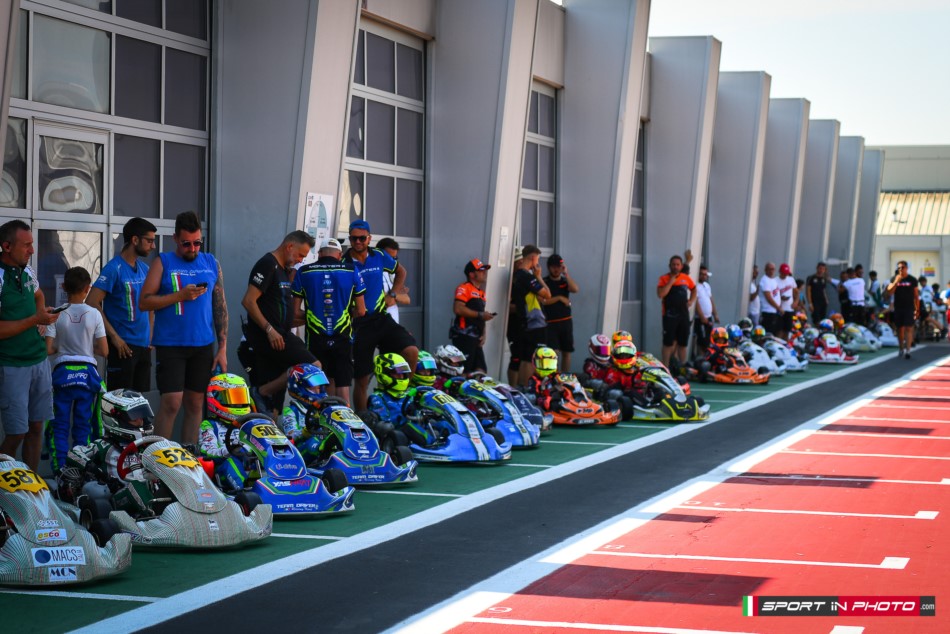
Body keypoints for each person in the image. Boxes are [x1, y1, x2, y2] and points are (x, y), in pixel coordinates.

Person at [140, 211, 228, 444]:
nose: (192, 248)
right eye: (186, 243)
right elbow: (144, 301)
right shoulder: (163, 262)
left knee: (196, 403)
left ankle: (189, 455)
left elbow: (220, 306)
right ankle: (158, 457)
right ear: (175, 239)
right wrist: (179, 296)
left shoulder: (210, 262)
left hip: (202, 344)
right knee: (171, 402)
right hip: (171, 344)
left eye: (197, 243)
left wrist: (222, 347)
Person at [0, 220, 59, 471]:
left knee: (37, 428)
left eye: (32, 244)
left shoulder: (28, 270)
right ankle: (6, 487)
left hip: (39, 360)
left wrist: (41, 316)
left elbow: (39, 294)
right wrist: (36, 319)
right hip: (11, 365)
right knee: (16, 433)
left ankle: (33, 485)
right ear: (6, 246)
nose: (32, 250)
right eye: (26, 245)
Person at [240, 230, 316, 416]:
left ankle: (266, 398)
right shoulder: (268, 264)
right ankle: (262, 393)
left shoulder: (284, 270)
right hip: (268, 338)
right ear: (289, 246)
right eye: (300, 255)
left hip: (280, 338)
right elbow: (248, 301)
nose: (300, 260)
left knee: (273, 409)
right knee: (314, 366)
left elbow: (279, 313)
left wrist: (313, 319)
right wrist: (269, 330)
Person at [344, 219, 418, 411]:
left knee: (411, 352)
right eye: (353, 238)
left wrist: (393, 294)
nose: (358, 242)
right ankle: (364, 419)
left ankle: (402, 400)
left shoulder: (379, 255)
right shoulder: (343, 262)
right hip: (359, 324)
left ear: (369, 238)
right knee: (362, 379)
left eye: (362, 238)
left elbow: (401, 272)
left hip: (381, 318)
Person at [44, 266, 108, 473]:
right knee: (83, 427)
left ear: (63, 287)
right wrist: (87, 346)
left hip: (62, 375)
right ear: (88, 288)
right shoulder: (94, 314)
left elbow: (48, 349)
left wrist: (61, 346)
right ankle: (81, 472)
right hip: (87, 376)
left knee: (59, 426)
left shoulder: (56, 313)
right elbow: (104, 350)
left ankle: (60, 471)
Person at [294, 237, 367, 405]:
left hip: (315, 337)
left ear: (320, 254)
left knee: (317, 384)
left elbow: (295, 312)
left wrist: (314, 315)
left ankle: (317, 418)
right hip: (343, 336)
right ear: (340, 255)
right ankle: (345, 417)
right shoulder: (351, 270)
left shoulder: (304, 272)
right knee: (342, 384)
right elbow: (361, 310)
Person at [86, 217, 156, 392]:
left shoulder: (145, 269)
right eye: (149, 241)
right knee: (119, 401)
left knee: (139, 401)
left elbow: (150, 304)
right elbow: (92, 302)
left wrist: (150, 335)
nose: (153, 246)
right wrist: (114, 337)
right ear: (135, 240)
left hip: (144, 347)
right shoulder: (113, 268)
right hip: (122, 346)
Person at [60, 389, 155, 506]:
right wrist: (96, 471)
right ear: (115, 420)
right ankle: (153, 511)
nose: (141, 422)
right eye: (135, 418)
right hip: (117, 498)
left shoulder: (147, 447)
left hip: (148, 492)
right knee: (137, 486)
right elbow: (72, 453)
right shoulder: (104, 446)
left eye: (142, 416)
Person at [511, 245, 551, 385]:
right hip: (534, 322)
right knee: (530, 358)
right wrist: (538, 276)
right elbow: (547, 294)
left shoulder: (517, 276)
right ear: (533, 258)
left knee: (525, 357)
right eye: (538, 259)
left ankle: (523, 387)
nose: (537, 263)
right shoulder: (527, 277)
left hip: (525, 322)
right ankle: (526, 388)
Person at [450, 258, 495, 374]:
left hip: (476, 338)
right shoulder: (464, 288)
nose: (484, 273)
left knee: (481, 371)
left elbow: (481, 315)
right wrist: (480, 315)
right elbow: (458, 308)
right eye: (480, 270)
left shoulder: (481, 293)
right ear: (471, 274)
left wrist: (484, 333)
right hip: (463, 337)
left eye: (484, 270)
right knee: (462, 370)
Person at [657, 254, 696, 368]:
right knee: (668, 343)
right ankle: (666, 367)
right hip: (669, 316)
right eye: (673, 264)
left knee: (682, 344)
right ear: (669, 266)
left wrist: (691, 301)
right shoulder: (663, 278)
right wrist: (670, 282)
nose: (675, 266)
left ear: (681, 266)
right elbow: (660, 294)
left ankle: (682, 368)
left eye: (678, 264)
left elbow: (694, 289)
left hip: (683, 315)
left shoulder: (686, 278)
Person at [542, 254, 579, 372]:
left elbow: (575, 289)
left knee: (567, 353)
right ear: (549, 267)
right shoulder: (545, 282)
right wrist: (559, 298)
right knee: (554, 353)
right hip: (551, 323)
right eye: (553, 267)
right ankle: (554, 377)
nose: (556, 269)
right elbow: (543, 301)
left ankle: (565, 378)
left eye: (558, 266)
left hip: (566, 322)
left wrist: (566, 274)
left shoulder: (564, 281)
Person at [884, 260, 919, 359]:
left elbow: (916, 296)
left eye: (902, 267)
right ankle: (901, 348)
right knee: (900, 329)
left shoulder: (912, 279)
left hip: (909, 308)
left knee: (909, 328)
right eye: (899, 268)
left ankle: (908, 350)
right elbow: (889, 292)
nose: (901, 269)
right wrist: (896, 281)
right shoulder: (894, 279)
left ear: (906, 268)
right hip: (898, 307)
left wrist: (917, 309)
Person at [376, 237, 410, 324]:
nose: (392, 262)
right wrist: (396, 295)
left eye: (395, 258)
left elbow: (407, 299)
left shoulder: (393, 274)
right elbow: (382, 302)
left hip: (393, 324)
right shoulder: (371, 272)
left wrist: (392, 295)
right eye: (389, 258)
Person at [693, 264, 718, 359]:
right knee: (702, 341)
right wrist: (702, 316)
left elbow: (710, 299)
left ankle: (705, 359)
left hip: (709, 317)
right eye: (701, 274)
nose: (704, 276)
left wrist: (715, 314)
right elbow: (696, 302)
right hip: (700, 319)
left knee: (708, 340)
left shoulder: (707, 285)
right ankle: (700, 359)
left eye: (705, 274)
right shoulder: (695, 286)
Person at [758, 262, 781, 336]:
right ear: (765, 270)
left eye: (773, 269)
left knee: (775, 332)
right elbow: (768, 297)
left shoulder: (773, 280)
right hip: (767, 311)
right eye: (770, 269)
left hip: (774, 311)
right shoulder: (765, 280)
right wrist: (779, 308)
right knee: (768, 333)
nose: (771, 271)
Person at [776, 263, 796, 340]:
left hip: (789, 308)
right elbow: (773, 295)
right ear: (780, 272)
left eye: (786, 273)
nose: (785, 275)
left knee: (787, 330)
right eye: (783, 273)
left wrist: (796, 302)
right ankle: (778, 343)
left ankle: (785, 345)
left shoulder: (791, 280)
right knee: (779, 330)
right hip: (780, 309)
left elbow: (796, 292)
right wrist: (780, 297)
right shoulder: (775, 281)